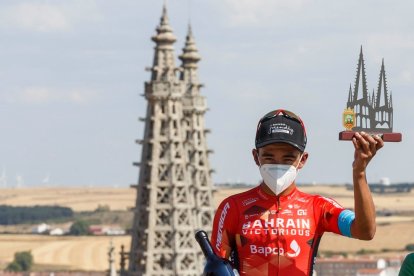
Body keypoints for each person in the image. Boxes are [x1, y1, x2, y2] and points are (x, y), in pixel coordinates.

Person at [210, 109, 383, 276]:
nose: (278, 164)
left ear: (302, 160)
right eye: (269, 157)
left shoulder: (318, 207)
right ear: (256, 157)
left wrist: (359, 172)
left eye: (288, 158)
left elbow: (365, 231)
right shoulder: (232, 207)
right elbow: (216, 265)